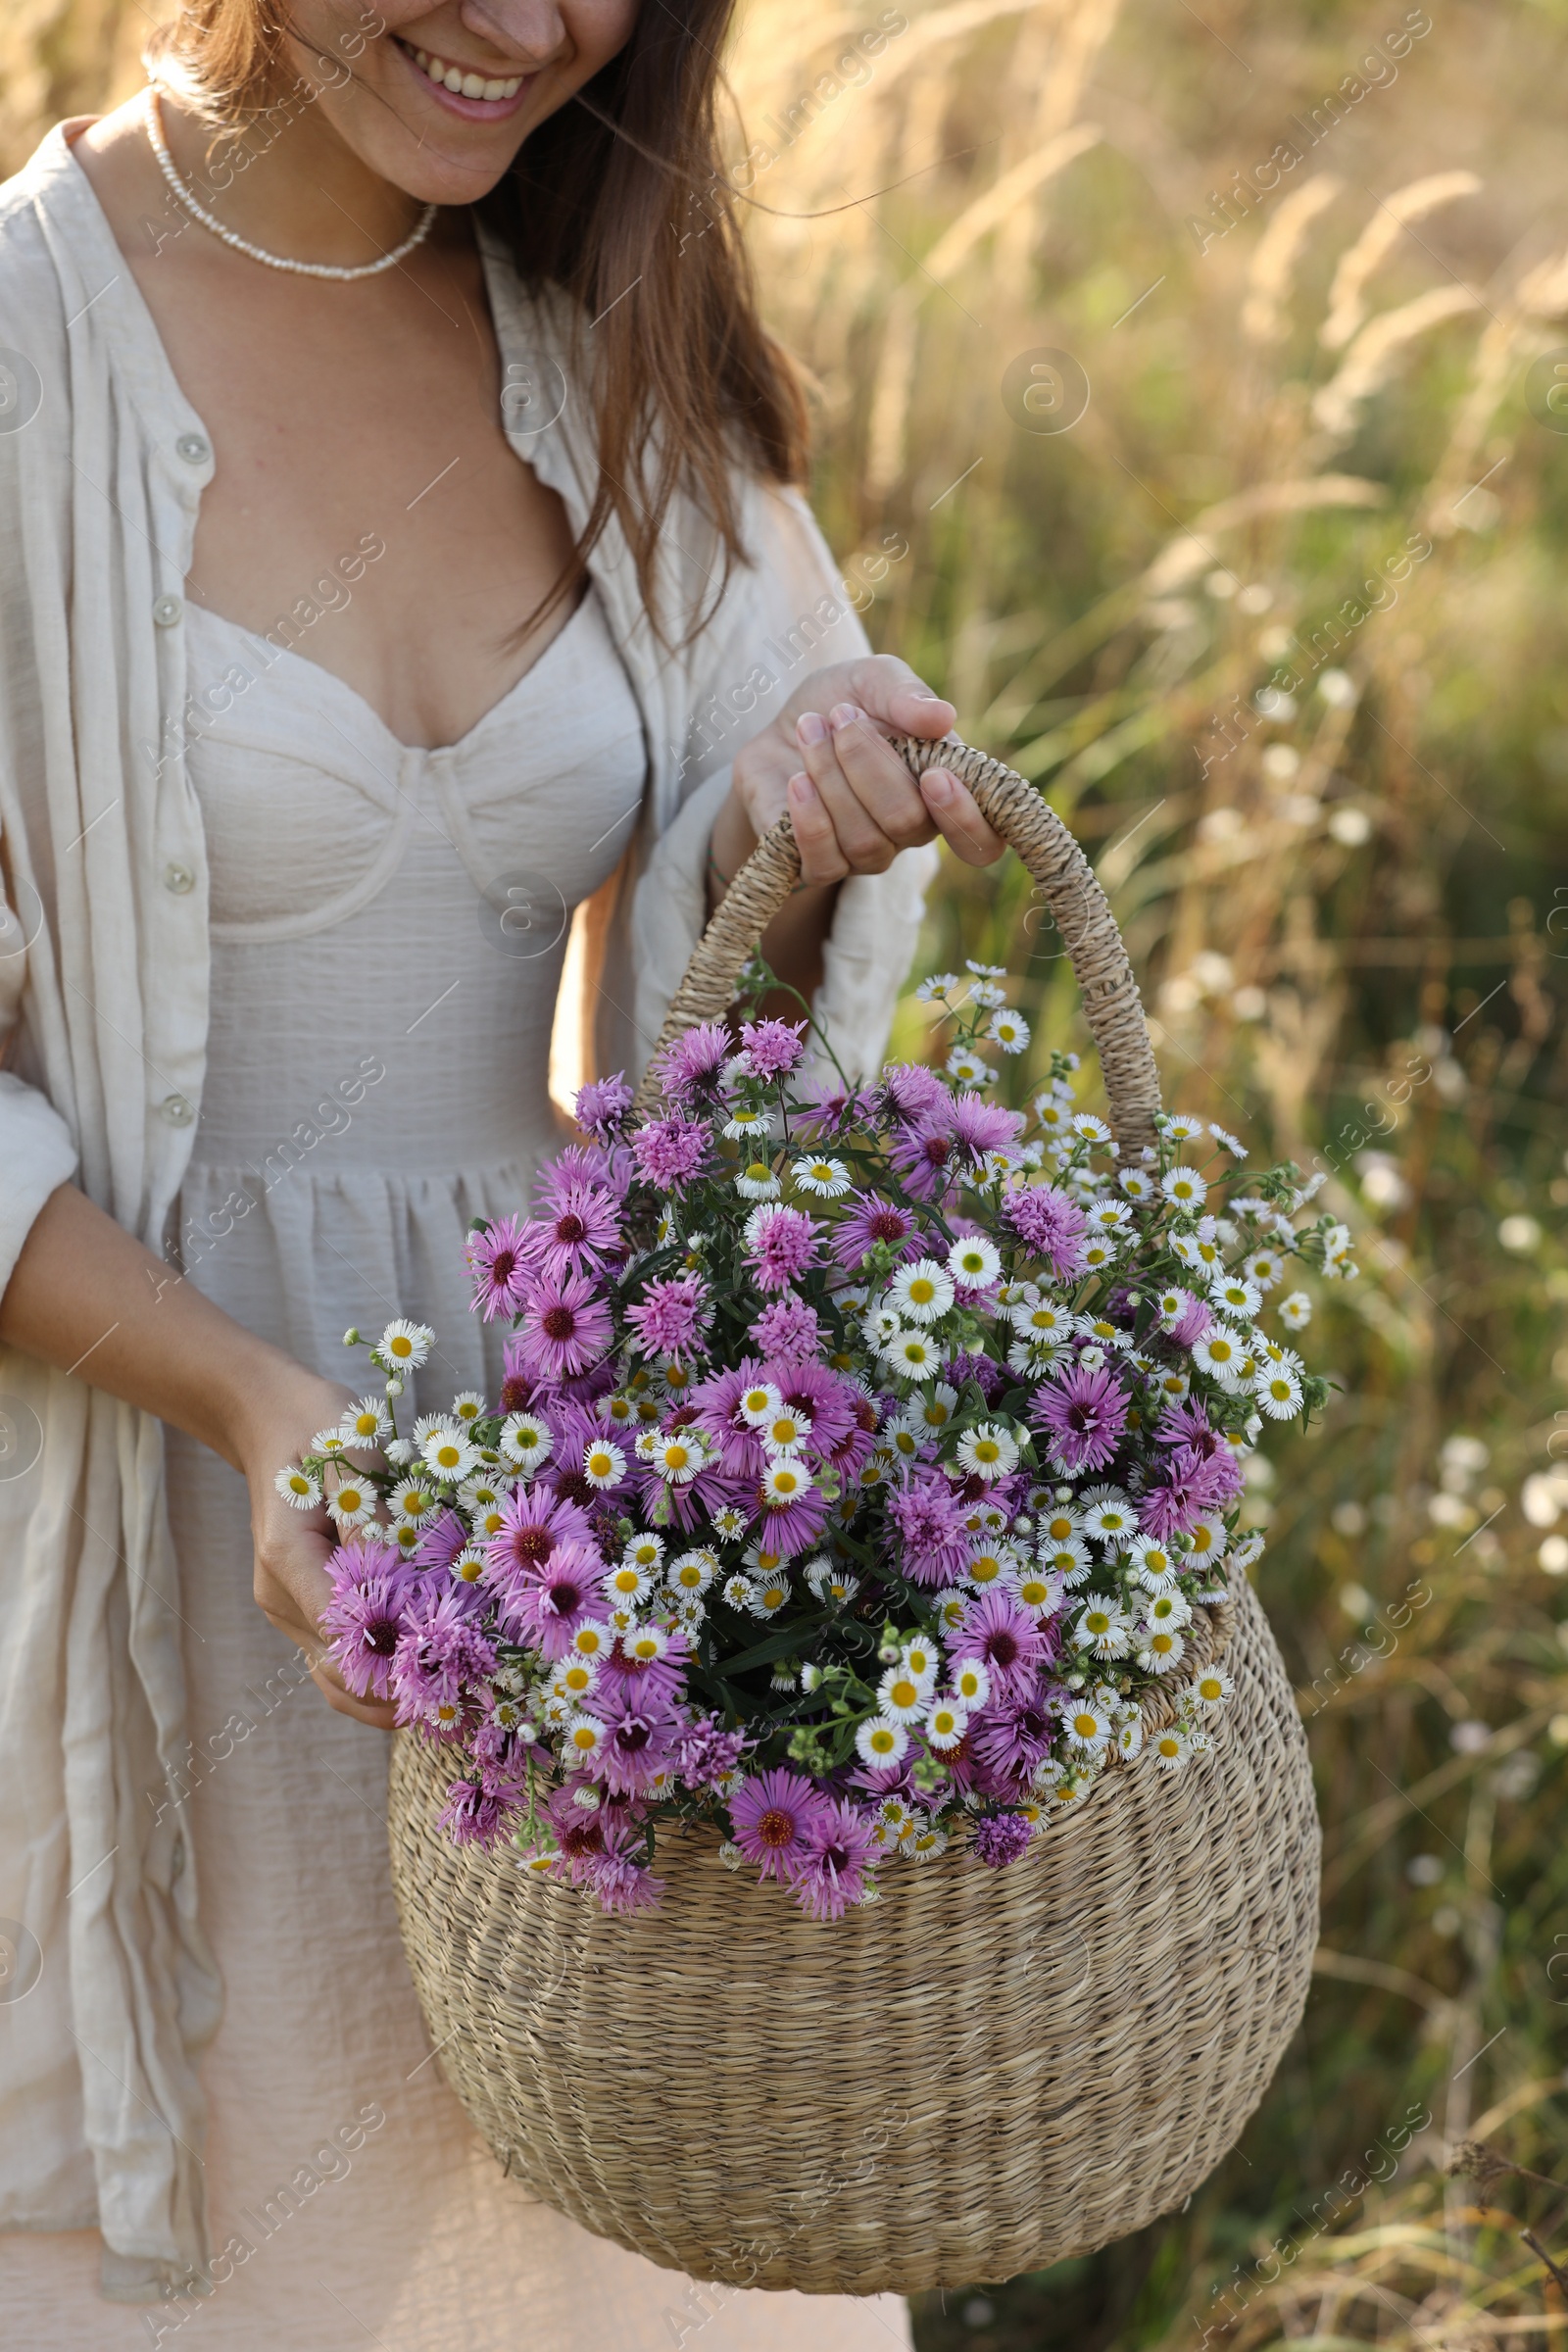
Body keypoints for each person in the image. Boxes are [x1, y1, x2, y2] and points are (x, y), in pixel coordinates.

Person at [0, 0, 1006, 2340]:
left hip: (574, 1554)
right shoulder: (28, 351)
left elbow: (703, 1085)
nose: (528, 24)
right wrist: (256, 1405)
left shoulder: (610, 336)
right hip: (150, 1495)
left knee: (634, 2255)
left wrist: (788, 828)